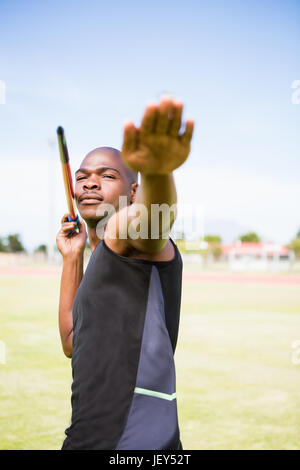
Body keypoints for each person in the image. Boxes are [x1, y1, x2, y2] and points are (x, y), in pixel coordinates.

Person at [56, 95, 194, 450]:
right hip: (87, 438)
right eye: (83, 177)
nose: (89, 183)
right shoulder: (101, 256)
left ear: (134, 191)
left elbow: (153, 219)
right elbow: (73, 342)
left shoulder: (126, 236)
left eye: (107, 175)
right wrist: (72, 260)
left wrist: (158, 171)